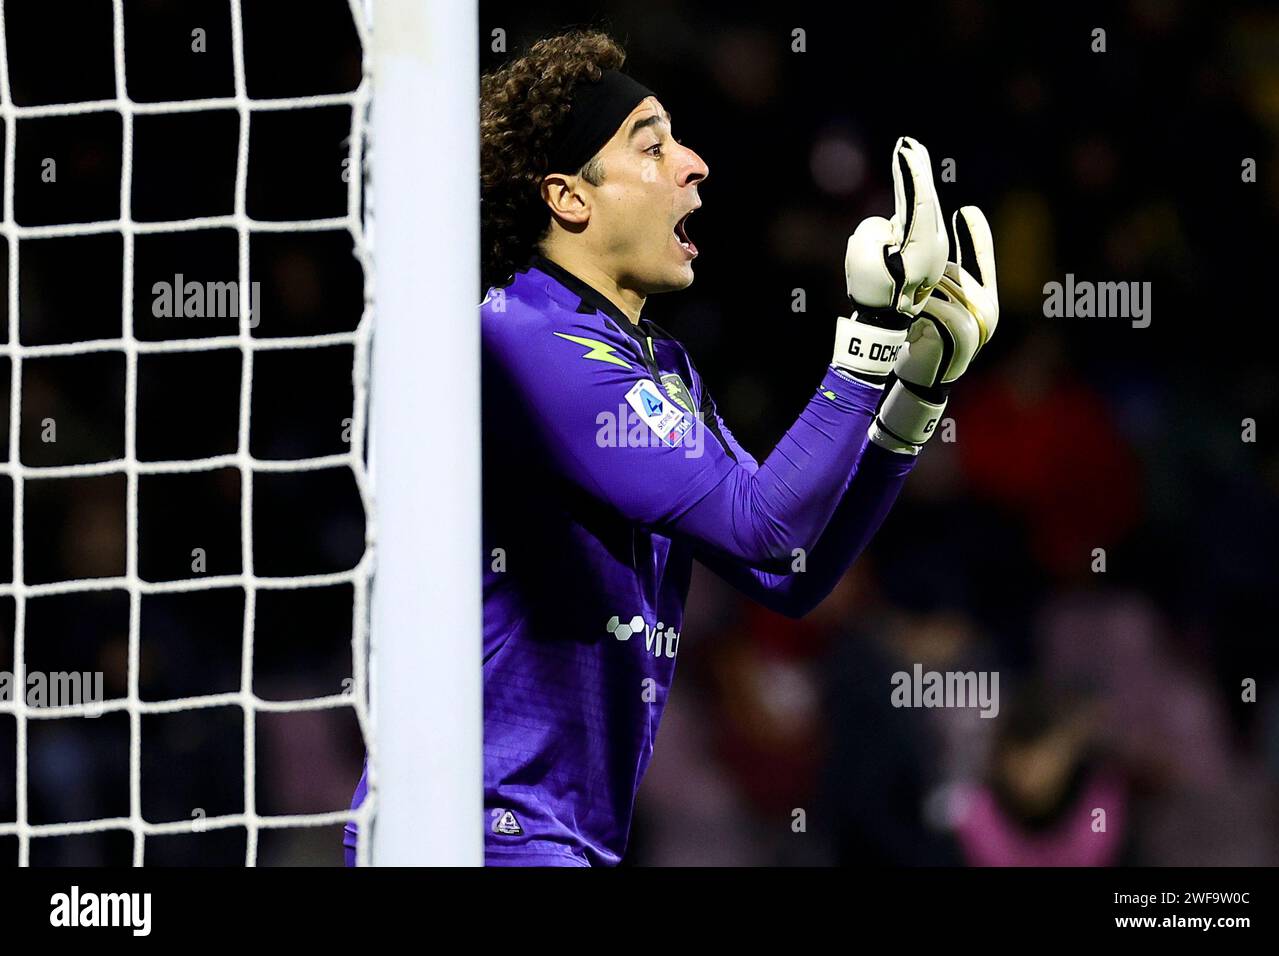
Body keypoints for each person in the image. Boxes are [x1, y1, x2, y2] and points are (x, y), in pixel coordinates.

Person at [346, 28, 999, 866]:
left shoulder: (658, 364)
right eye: (652, 148)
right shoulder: (521, 340)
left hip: (559, 836)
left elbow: (785, 570)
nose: (694, 164)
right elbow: (762, 525)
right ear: (570, 198)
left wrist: (913, 396)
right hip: (471, 829)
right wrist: (868, 334)